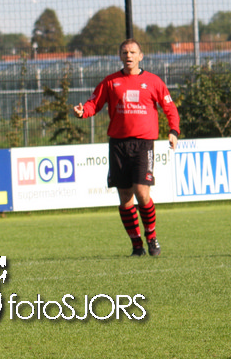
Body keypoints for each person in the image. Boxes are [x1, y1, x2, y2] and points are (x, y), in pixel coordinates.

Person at [73, 39, 179, 257]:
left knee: (142, 192)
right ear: (120, 56)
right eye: (124, 52)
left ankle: (151, 237)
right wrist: (83, 111)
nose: (128, 56)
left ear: (141, 56)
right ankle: (137, 245)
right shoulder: (111, 82)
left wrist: (174, 130)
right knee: (125, 198)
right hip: (118, 144)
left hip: (143, 144)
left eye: (132, 52)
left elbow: (169, 107)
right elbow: (94, 103)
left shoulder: (153, 81)